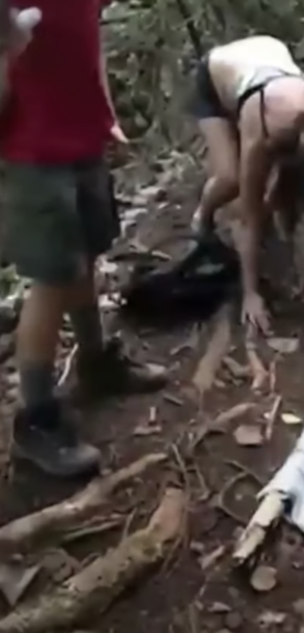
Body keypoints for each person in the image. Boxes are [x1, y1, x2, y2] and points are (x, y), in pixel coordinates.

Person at [0, 0, 168, 478]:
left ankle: (96, 363)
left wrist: (106, 113)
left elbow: (88, 41)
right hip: (31, 153)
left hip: (83, 140)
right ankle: (36, 420)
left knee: (88, 255)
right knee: (54, 278)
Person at [189, 35, 304, 334]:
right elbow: (247, 219)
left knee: (285, 196)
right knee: (232, 181)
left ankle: (283, 224)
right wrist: (252, 294)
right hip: (218, 79)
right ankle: (202, 214)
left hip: (270, 63)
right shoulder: (262, 132)